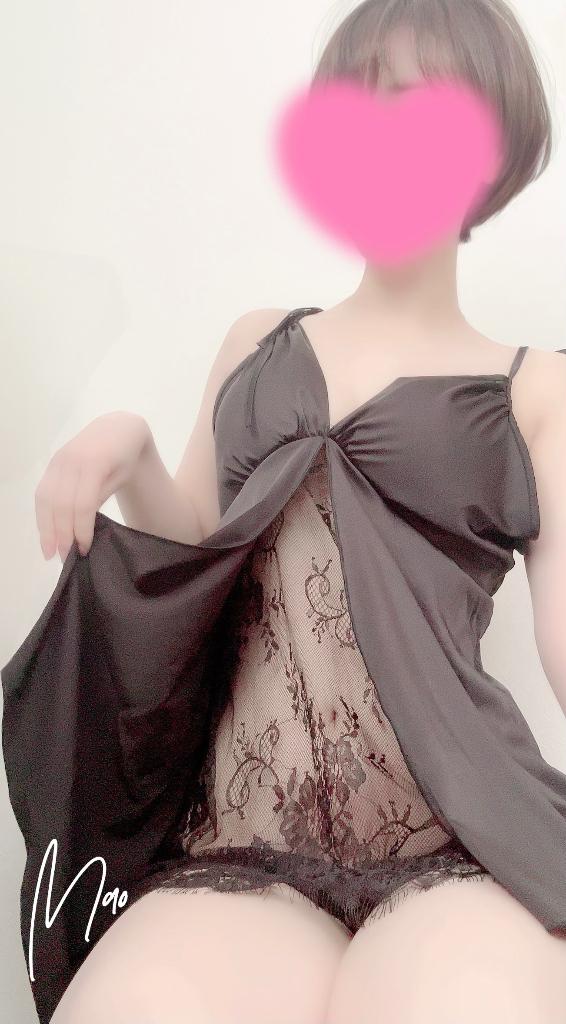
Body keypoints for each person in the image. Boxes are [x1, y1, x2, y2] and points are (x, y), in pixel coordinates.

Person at [3, 1, 566, 1022]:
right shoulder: (258, 343)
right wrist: (129, 444)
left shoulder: (536, 391)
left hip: (459, 838)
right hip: (242, 841)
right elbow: (194, 552)